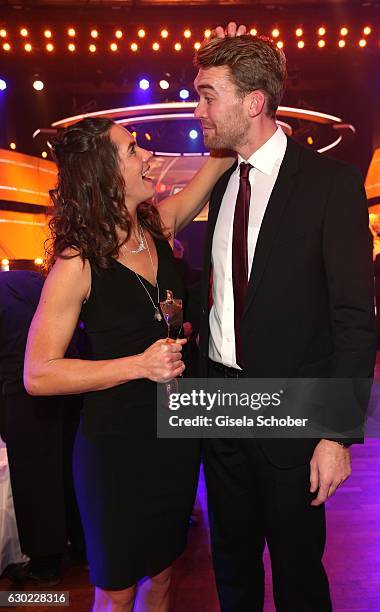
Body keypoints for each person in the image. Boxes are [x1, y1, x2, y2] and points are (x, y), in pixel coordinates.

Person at [194, 23, 376, 611]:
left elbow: (353, 318)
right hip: (217, 405)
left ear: (253, 102)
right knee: (232, 565)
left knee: (298, 573)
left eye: (207, 93)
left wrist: (337, 435)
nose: (197, 106)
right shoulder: (222, 185)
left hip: (292, 415)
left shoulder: (331, 184)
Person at [23, 118, 234, 612]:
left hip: (172, 444)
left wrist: (238, 88)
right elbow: (38, 373)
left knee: (162, 577)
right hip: (115, 452)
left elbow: (217, 165)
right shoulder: (77, 263)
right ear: (103, 174)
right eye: (132, 149)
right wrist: (138, 365)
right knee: (117, 592)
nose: (147, 156)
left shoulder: (156, 229)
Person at [0, 270, 84, 585]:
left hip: (25, 390)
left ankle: (45, 564)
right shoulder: (29, 279)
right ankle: (83, 548)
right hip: (66, 381)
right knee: (70, 469)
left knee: (34, 482)